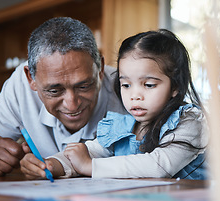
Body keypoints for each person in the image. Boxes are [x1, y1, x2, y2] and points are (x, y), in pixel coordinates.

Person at [21, 29, 209, 180]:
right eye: (126, 85)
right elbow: (90, 152)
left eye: (149, 85)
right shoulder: (122, 126)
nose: (134, 95)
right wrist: (52, 165)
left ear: (175, 86)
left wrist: (89, 166)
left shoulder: (189, 122)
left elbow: (158, 166)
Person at [0, 17, 126, 176]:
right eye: (54, 91)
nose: (72, 105)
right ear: (31, 78)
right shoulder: (20, 86)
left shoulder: (128, 88)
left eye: (83, 86)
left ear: (100, 69)